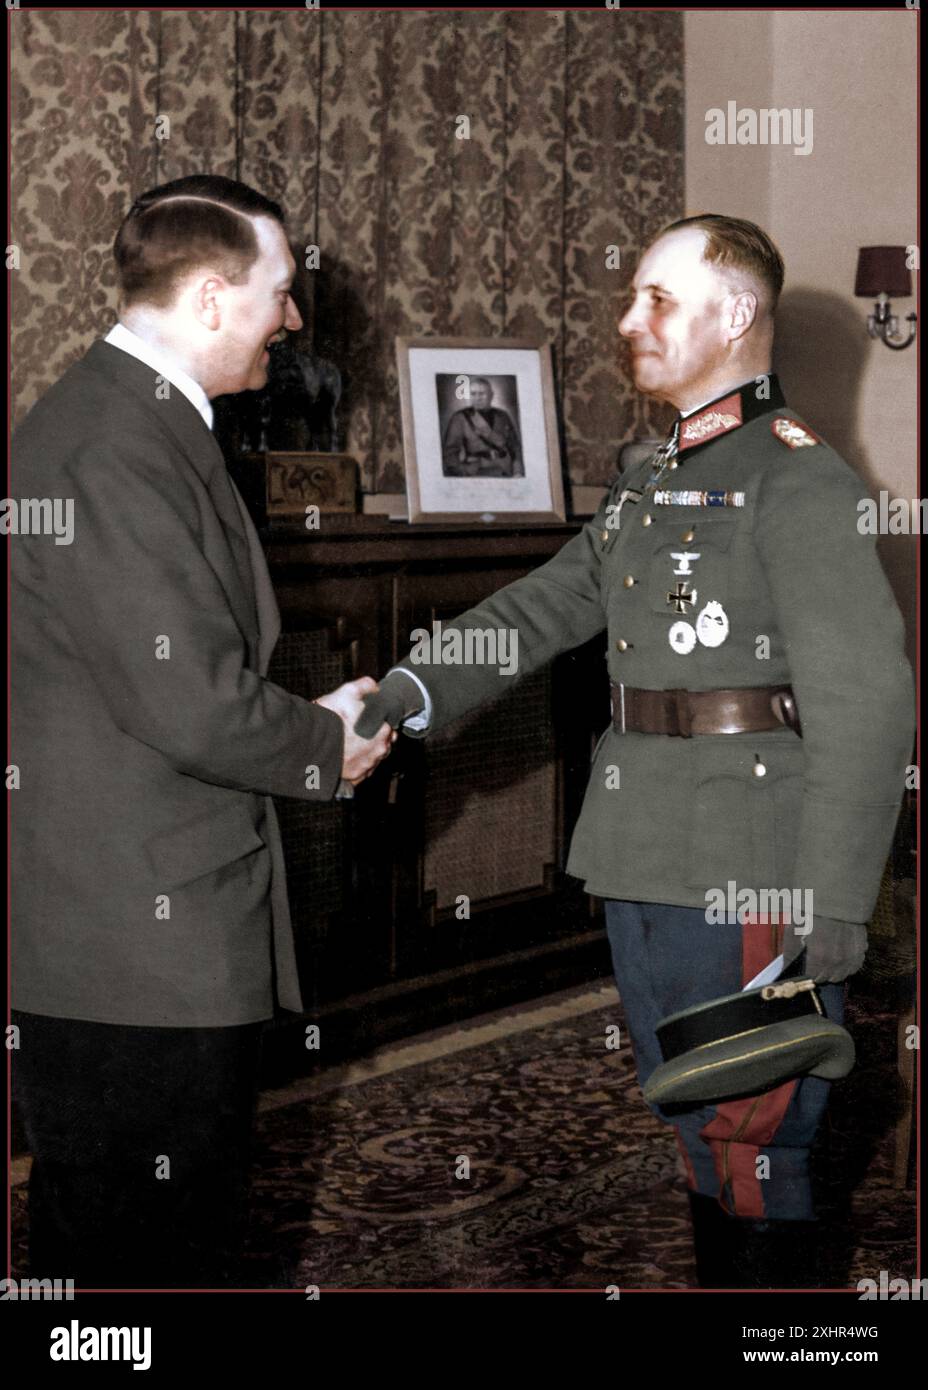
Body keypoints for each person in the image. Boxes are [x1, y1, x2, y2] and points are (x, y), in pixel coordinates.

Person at [358, 214, 914, 1288]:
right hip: (644, 853)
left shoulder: (800, 480)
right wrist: (404, 693)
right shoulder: (656, 476)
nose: (627, 322)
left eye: (657, 298)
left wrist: (837, 902)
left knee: (759, 1140)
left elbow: (868, 697)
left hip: (750, 863)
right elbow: (539, 608)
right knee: (697, 1128)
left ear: (737, 314)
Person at [10, 174, 394, 1288]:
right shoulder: (113, 447)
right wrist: (328, 745)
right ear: (215, 297)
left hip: (141, 920)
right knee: (143, 1251)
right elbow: (185, 699)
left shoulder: (136, 419)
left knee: (134, 1237)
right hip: (131, 950)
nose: (293, 318)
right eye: (281, 293)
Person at [441, 377, 524, 476]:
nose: (477, 398)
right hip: (478, 471)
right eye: (473, 394)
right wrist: (463, 473)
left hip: (505, 470)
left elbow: (515, 447)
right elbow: (449, 453)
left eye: (481, 394)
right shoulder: (460, 418)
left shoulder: (502, 416)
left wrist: (517, 472)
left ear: (491, 395)